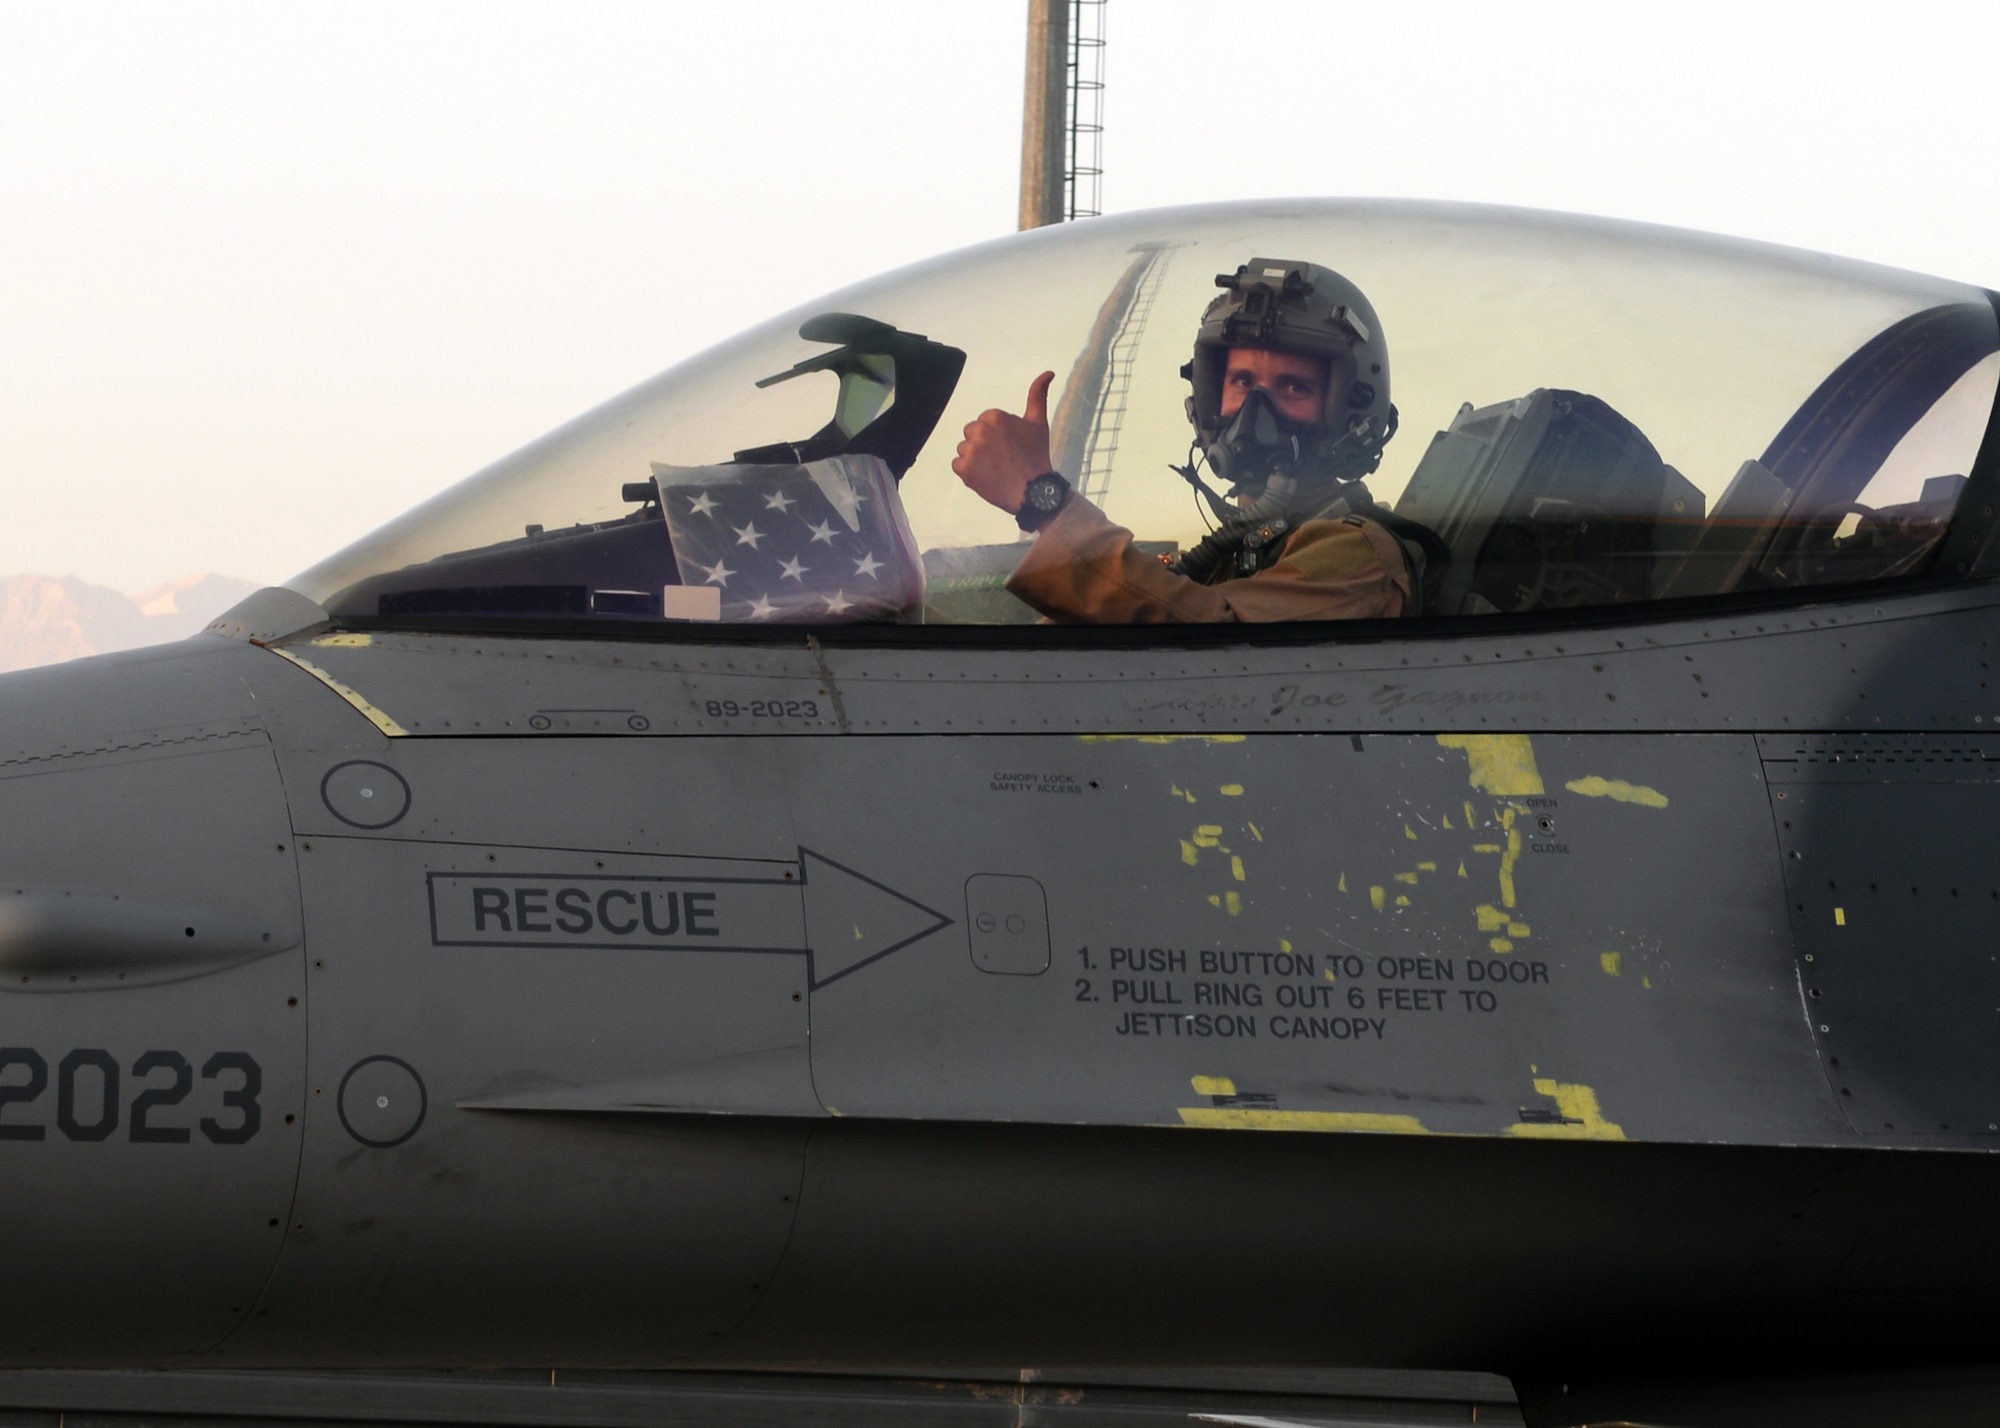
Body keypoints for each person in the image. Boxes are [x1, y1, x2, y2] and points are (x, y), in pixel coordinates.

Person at [952, 257, 1424, 622]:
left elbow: (1202, 640)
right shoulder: (1251, 548)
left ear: (1351, 410)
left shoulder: (1357, 555)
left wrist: (1044, 499)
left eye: (1293, 387)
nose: (1257, 412)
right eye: (1241, 382)